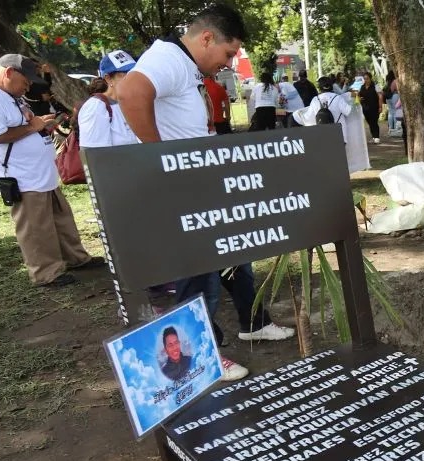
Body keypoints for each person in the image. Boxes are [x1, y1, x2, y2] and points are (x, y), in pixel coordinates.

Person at [118, 4, 295, 382]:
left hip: (201, 184)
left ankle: (253, 322)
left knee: (236, 257)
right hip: (181, 189)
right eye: (229, 54)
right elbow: (130, 93)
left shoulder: (185, 65)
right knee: (199, 276)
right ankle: (202, 354)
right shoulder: (167, 58)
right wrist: (160, 159)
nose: (229, 64)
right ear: (207, 38)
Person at [0, 54, 102, 288]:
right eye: (25, 82)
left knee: (60, 218)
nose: (28, 87)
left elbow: (21, 124)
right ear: (8, 73)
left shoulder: (7, 94)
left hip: (40, 171)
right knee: (35, 226)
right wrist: (33, 127)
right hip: (22, 176)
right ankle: (46, 272)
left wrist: (39, 123)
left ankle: (75, 258)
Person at [78, 50, 140, 148]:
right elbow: (92, 153)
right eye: (125, 74)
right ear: (108, 78)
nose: (132, 78)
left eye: (134, 72)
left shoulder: (135, 102)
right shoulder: (96, 107)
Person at [359, 72, 382, 144]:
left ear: (370, 78)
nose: (366, 80)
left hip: (374, 107)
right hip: (365, 108)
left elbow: (380, 96)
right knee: (370, 122)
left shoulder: (375, 86)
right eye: (364, 79)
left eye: (367, 78)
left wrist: (380, 106)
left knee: (374, 122)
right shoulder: (362, 87)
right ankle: (373, 137)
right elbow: (359, 95)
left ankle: (377, 137)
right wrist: (360, 98)